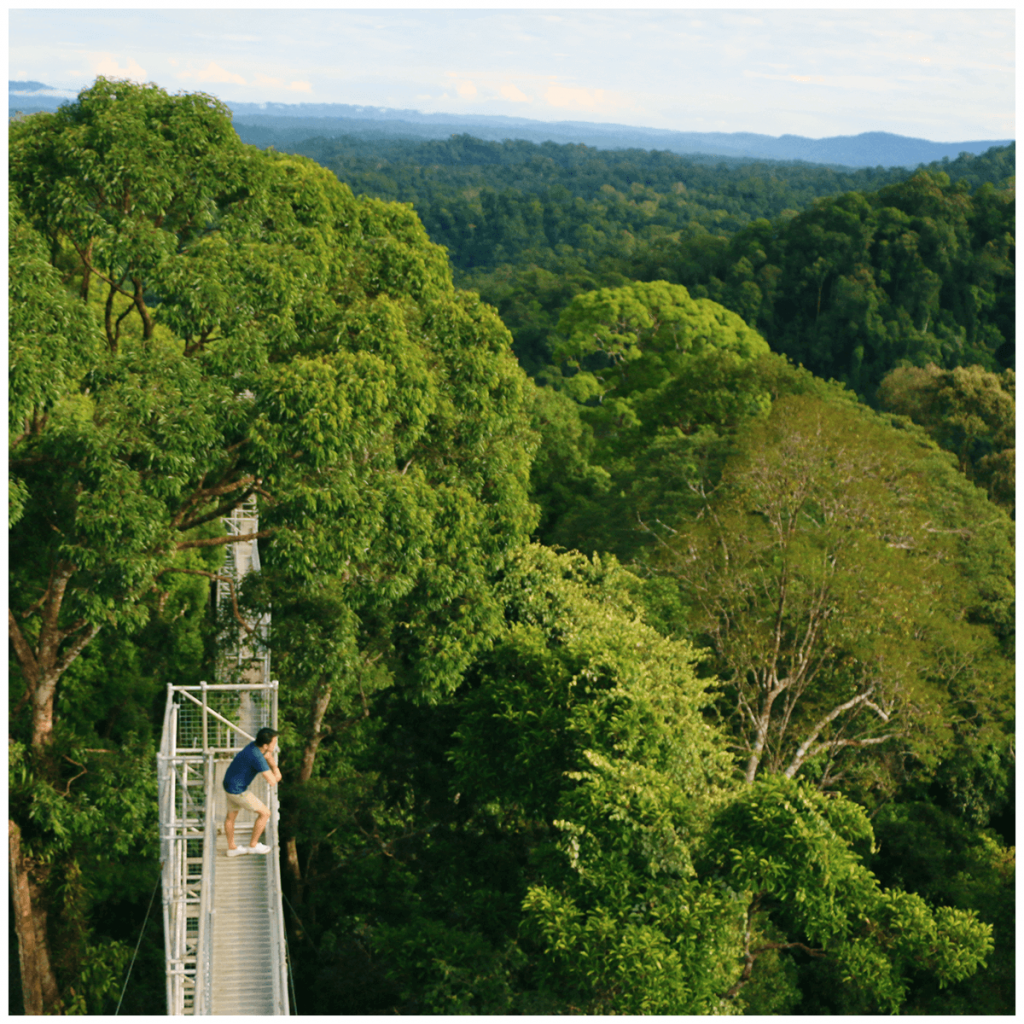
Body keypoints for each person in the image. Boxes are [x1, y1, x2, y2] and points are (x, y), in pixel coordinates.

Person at [223, 726, 282, 857]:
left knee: (230, 817)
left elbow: (265, 755)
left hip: (228, 785)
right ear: (266, 745)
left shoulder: (253, 747)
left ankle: (232, 848)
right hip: (238, 791)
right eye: (274, 743)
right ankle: (253, 845)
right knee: (265, 813)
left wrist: (268, 757)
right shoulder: (257, 757)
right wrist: (275, 767)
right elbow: (273, 780)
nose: (276, 745)